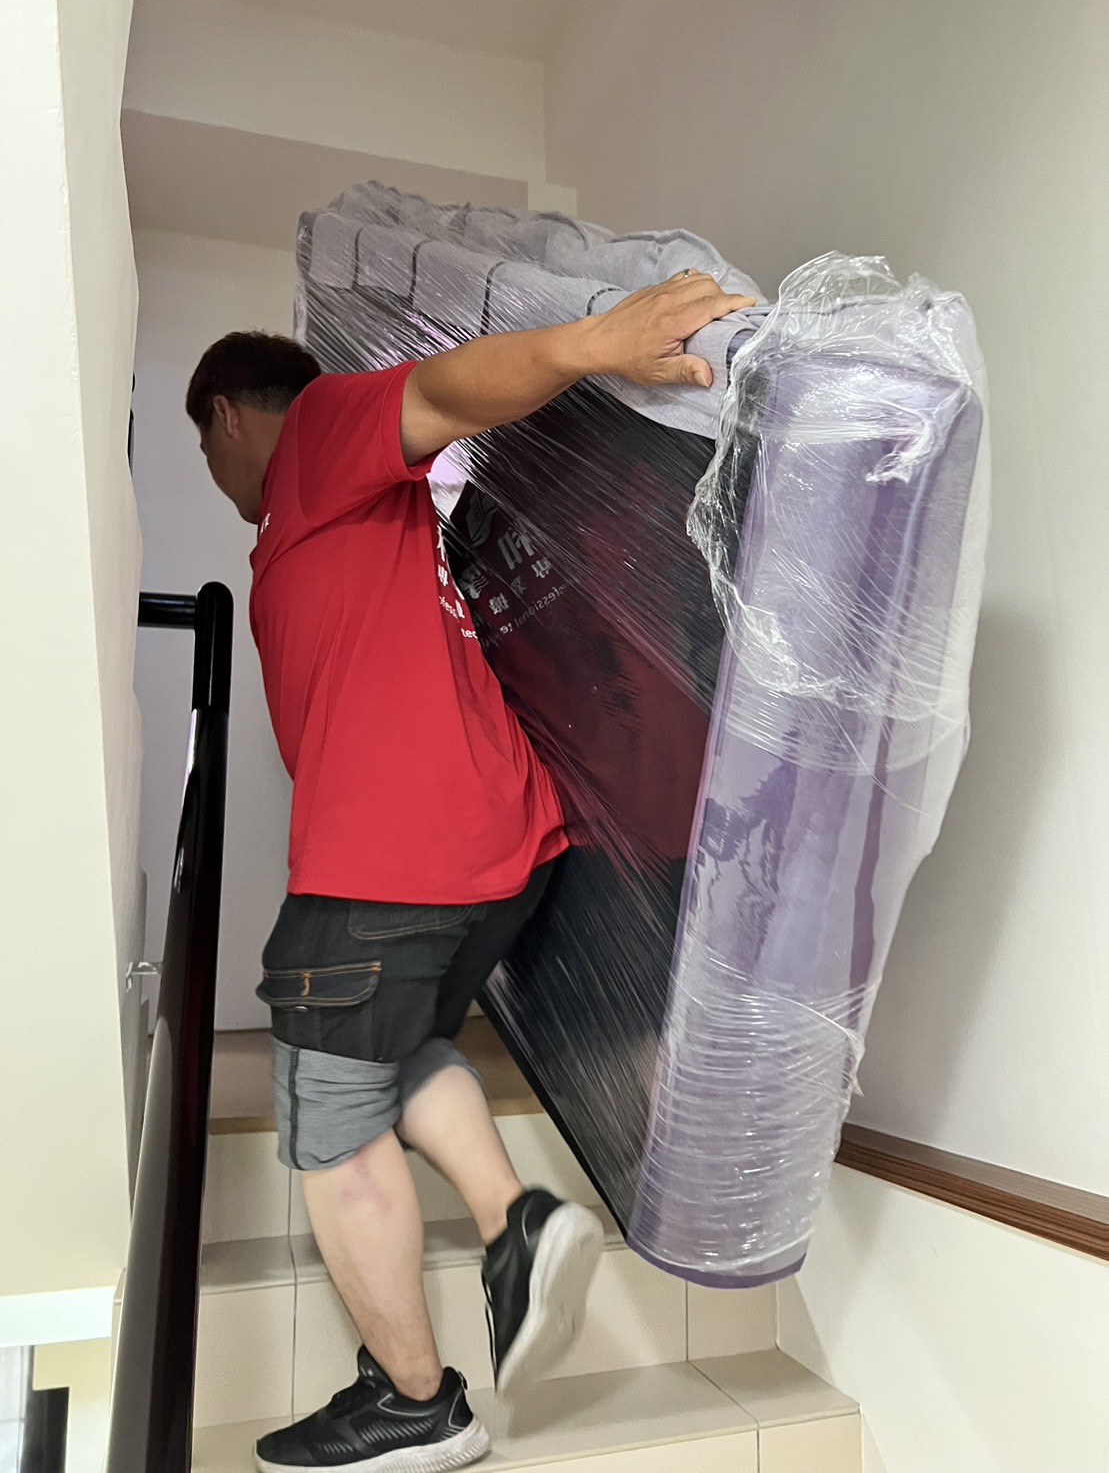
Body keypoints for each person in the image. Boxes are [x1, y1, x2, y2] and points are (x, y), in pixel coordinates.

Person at [186, 268, 754, 1473]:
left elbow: (443, 391)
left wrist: (595, 342)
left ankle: (414, 1404)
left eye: (204, 445)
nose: (215, 470)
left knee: (327, 1113)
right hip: (486, 846)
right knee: (390, 1056)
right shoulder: (327, 520)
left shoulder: (318, 435)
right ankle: (517, 1223)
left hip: (386, 858)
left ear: (227, 415)